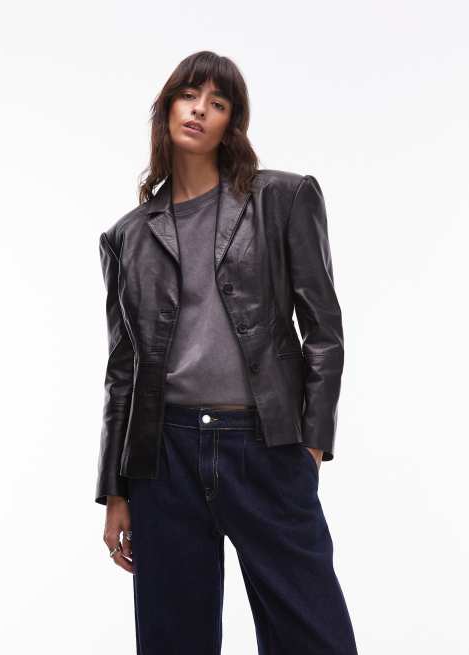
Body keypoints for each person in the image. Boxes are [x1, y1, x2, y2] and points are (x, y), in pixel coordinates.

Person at [95, 50, 358, 655]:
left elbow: (324, 329)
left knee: (312, 633)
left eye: (217, 103)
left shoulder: (283, 198)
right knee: (173, 640)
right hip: (164, 457)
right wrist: (116, 490)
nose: (199, 111)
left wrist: (311, 444)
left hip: (265, 444)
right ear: (167, 109)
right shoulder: (127, 236)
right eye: (190, 96)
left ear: (231, 122)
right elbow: (122, 371)